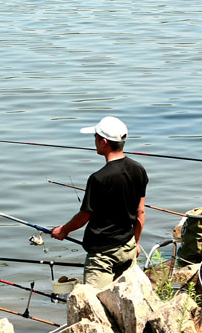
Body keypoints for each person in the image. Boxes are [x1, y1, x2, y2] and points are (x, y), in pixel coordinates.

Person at [51, 116, 148, 289]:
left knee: (95, 301)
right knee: (125, 297)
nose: (94, 141)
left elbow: (83, 216)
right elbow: (140, 212)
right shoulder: (138, 169)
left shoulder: (98, 178)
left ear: (104, 142)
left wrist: (62, 230)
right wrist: (136, 243)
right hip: (128, 247)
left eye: (95, 138)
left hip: (102, 255)